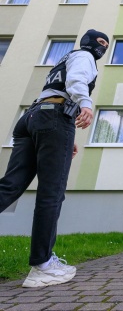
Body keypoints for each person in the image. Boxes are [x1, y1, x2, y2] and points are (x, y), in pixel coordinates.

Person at [0, 29, 109, 288]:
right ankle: (43, 265)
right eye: (99, 42)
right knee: (51, 193)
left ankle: (44, 261)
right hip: (53, 116)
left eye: (107, 45)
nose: (102, 48)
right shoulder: (84, 56)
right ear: (88, 42)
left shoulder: (65, 58)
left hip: (32, 117)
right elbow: (76, 82)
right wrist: (86, 104)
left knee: (10, 185)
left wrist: (64, 133)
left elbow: (55, 91)